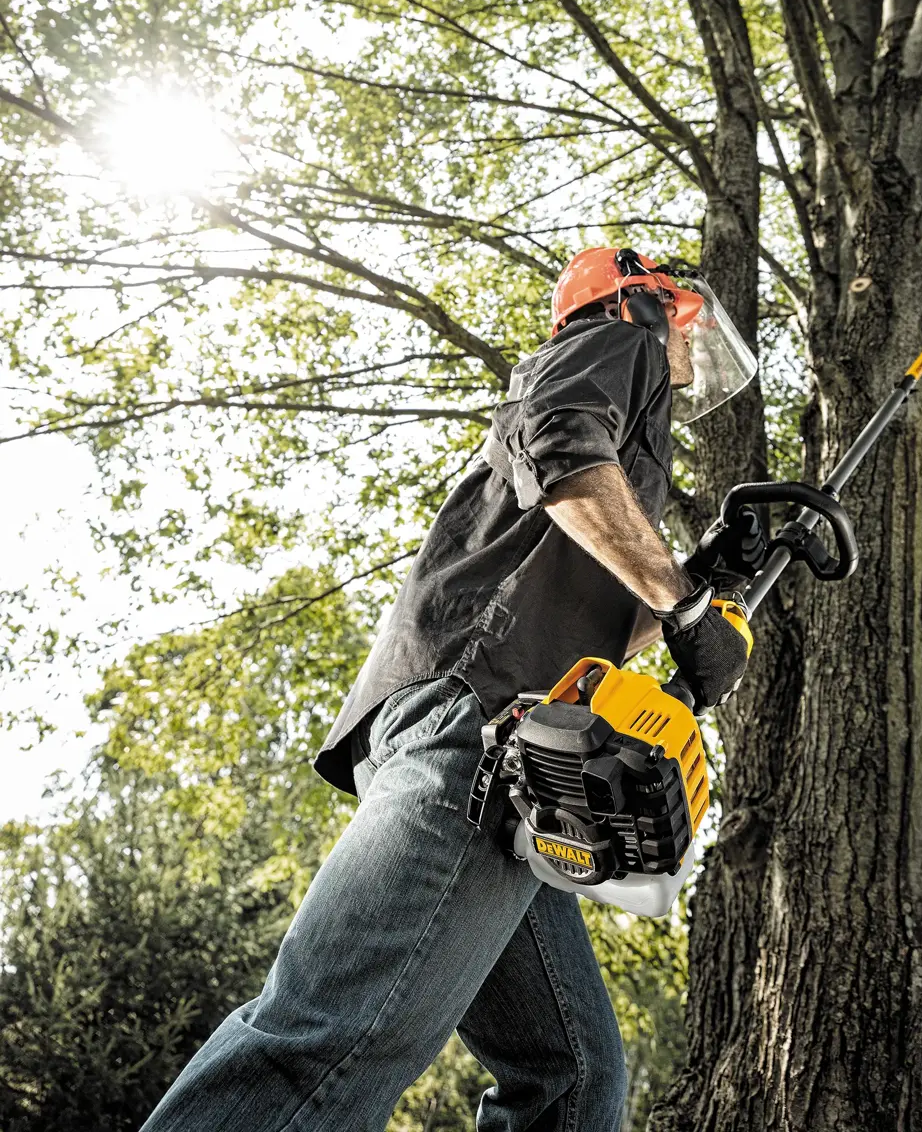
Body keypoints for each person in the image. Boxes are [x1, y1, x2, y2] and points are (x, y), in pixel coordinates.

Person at [141, 247, 756, 1132]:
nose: (693, 359)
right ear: (644, 304)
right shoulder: (611, 345)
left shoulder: (613, 464)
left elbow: (597, 587)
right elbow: (563, 445)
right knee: (324, 1041)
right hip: (480, 725)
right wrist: (686, 601)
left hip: (523, 759)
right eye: (687, 329)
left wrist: (701, 579)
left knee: (573, 1080)